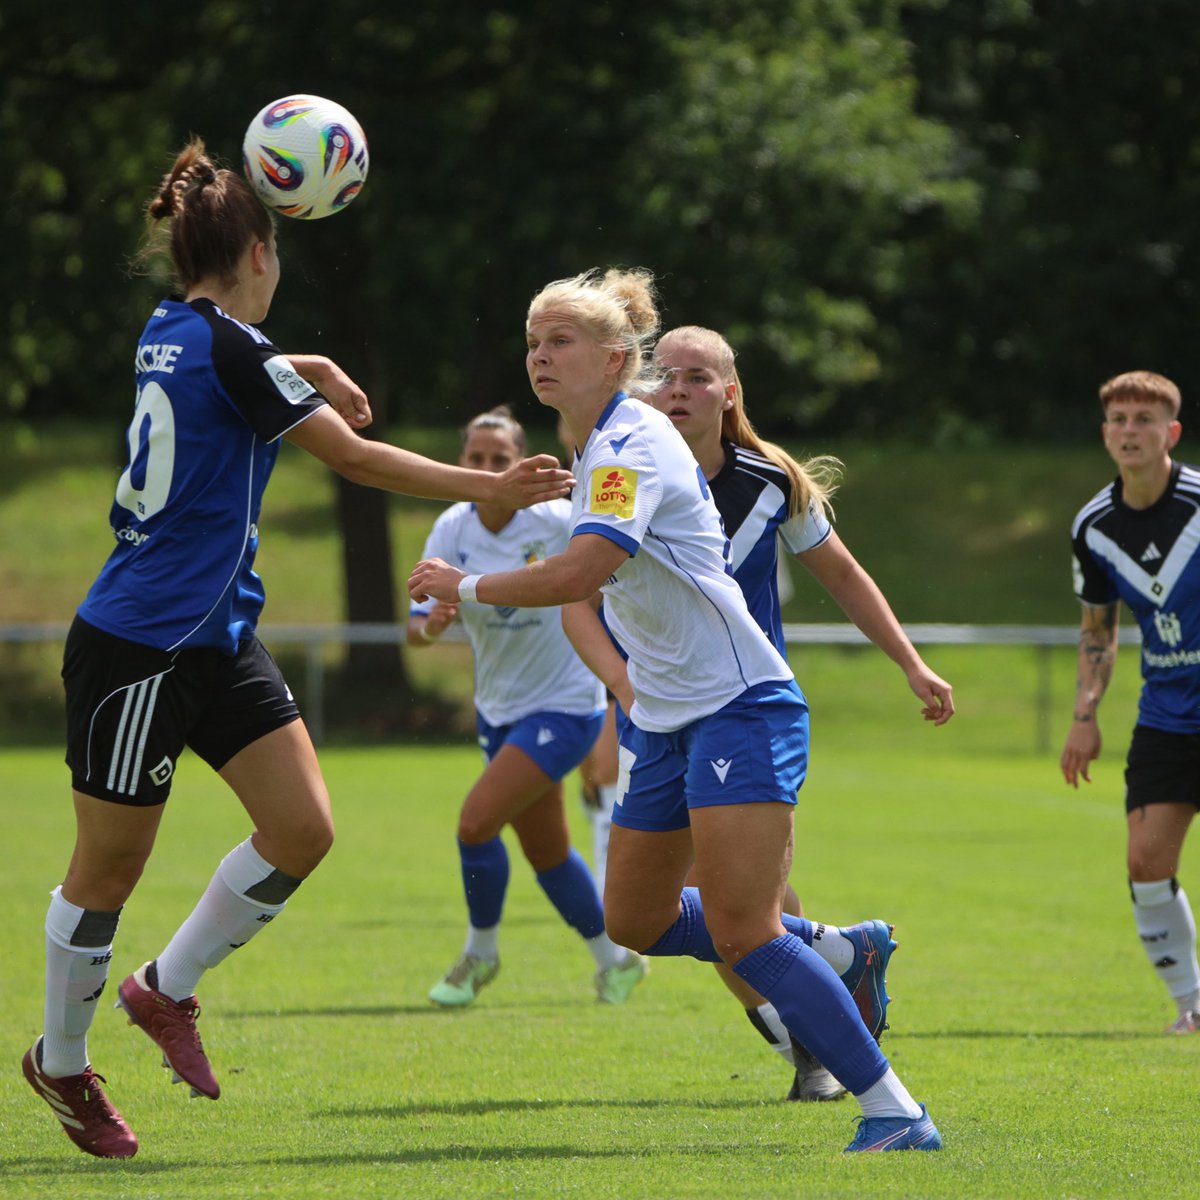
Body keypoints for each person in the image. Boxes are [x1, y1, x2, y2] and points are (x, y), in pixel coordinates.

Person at [21, 138, 573, 1161]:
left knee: (302, 829)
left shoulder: (174, 328)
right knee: (108, 868)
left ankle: (164, 988)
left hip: (217, 636)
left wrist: (308, 366)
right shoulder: (235, 352)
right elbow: (355, 459)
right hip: (140, 643)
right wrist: (490, 486)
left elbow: (239, 370)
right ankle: (59, 1061)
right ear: (259, 254)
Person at [410, 267, 946, 1153]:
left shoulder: (630, 443)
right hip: (663, 717)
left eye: (561, 341)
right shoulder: (596, 448)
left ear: (616, 359)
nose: (540, 355)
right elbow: (586, 590)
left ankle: (895, 1112)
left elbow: (583, 574)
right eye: (534, 341)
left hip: (740, 704)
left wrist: (463, 585)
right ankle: (839, 948)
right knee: (636, 920)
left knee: (745, 932)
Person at [636, 323, 955, 1102]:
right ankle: (835, 972)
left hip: (740, 710)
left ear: (729, 393)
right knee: (720, 906)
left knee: (729, 901)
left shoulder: (770, 482)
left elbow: (842, 575)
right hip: (655, 709)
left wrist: (911, 662)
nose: (678, 388)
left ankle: (819, 1046)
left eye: (697, 376)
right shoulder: (625, 471)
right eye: (665, 374)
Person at [408, 406, 646, 1009]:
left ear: (521, 463)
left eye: (500, 458)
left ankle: (480, 954)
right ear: (462, 462)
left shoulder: (559, 521)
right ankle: (615, 961)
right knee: (547, 852)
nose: (488, 467)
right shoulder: (451, 528)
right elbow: (416, 629)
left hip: (565, 707)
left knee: (475, 823)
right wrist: (433, 626)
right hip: (498, 710)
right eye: (477, 458)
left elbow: (605, 590)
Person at [1061, 370, 1200, 1034]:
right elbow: (1098, 629)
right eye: (1118, 419)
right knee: (1146, 863)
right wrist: (1084, 715)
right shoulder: (1093, 526)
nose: (1129, 431)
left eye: (1144, 419)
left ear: (1171, 432)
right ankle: (1191, 1007)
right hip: (1166, 717)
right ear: (1104, 433)